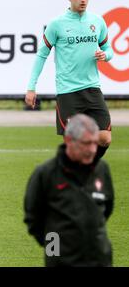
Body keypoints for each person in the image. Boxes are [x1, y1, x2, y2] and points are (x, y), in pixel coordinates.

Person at [25, 0, 114, 161]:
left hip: (92, 88)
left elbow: (108, 49)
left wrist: (106, 56)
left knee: (105, 138)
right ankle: (70, 175)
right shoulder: (57, 24)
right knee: (74, 142)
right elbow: (41, 55)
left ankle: (88, 169)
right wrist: (31, 87)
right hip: (68, 92)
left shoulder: (97, 21)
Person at [24, 114, 114, 267]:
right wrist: (55, 248)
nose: (92, 150)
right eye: (86, 143)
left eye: (94, 143)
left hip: (99, 258)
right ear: (68, 140)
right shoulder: (46, 173)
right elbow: (34, 219)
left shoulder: (102, 169)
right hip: (62, 260)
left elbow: (107, 209)